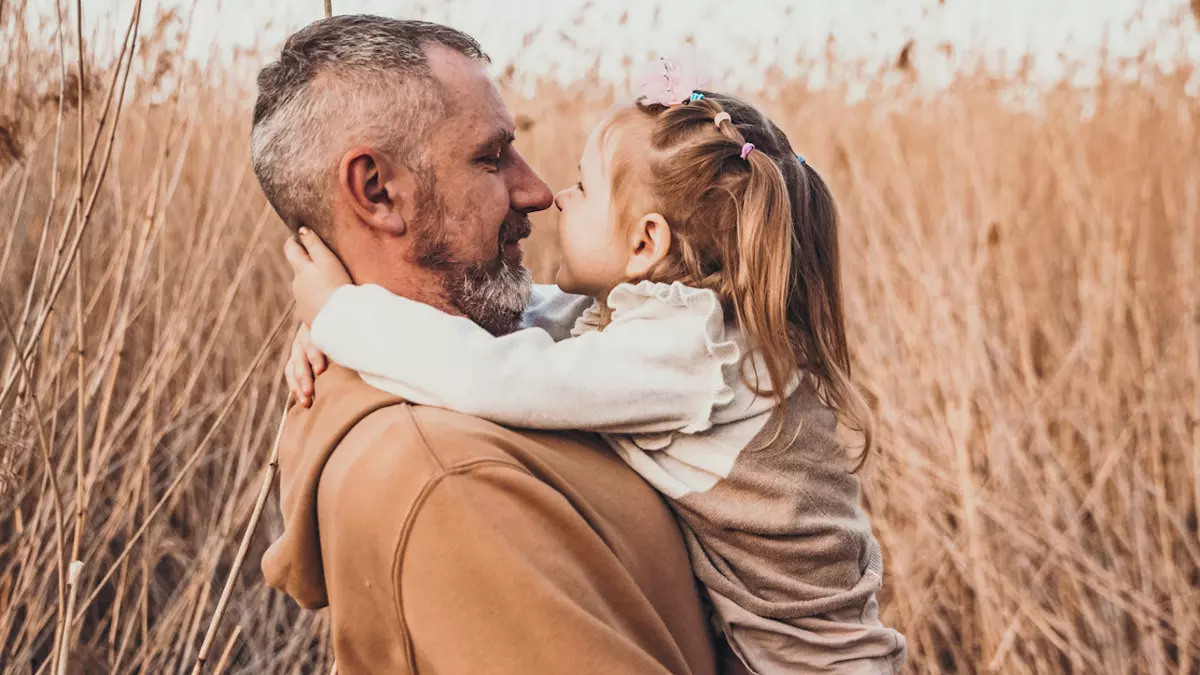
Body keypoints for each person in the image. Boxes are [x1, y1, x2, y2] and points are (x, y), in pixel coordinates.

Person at [283, 59, 908, 673]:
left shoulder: (686, 354)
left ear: (646, 243)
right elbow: (531, 318)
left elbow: (497, 375)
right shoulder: (666, 324)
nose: (553, 196)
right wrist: (351, 322)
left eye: (582, 187)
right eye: (492, 157)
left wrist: (343, 314)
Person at [252, 15, 720, 675]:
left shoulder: (465, 366)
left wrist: (345, 318)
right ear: (379, 191)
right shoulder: (449, 480)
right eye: (491, 157)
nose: (535, 191)